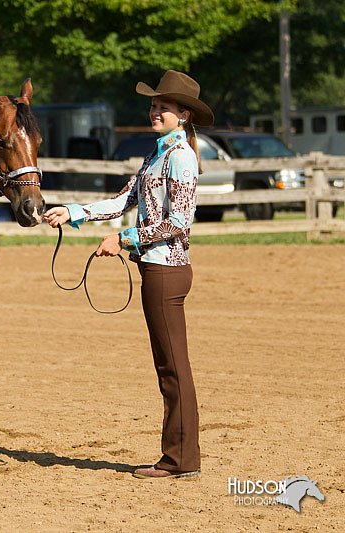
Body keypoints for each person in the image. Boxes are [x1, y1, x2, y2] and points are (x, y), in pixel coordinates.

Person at [44, 70, 214, 479]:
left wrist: (124, 239)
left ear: (184, 115)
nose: (154, 111)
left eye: (164, 107)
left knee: (173, 368)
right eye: (154, 105)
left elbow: (177, 223)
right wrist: (75, 212)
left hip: (166, 271)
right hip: (157, 269)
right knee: (169, 366)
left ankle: (180, 460)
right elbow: (123, 201)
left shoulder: (182, 158)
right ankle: (179, 457)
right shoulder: (156, 154)